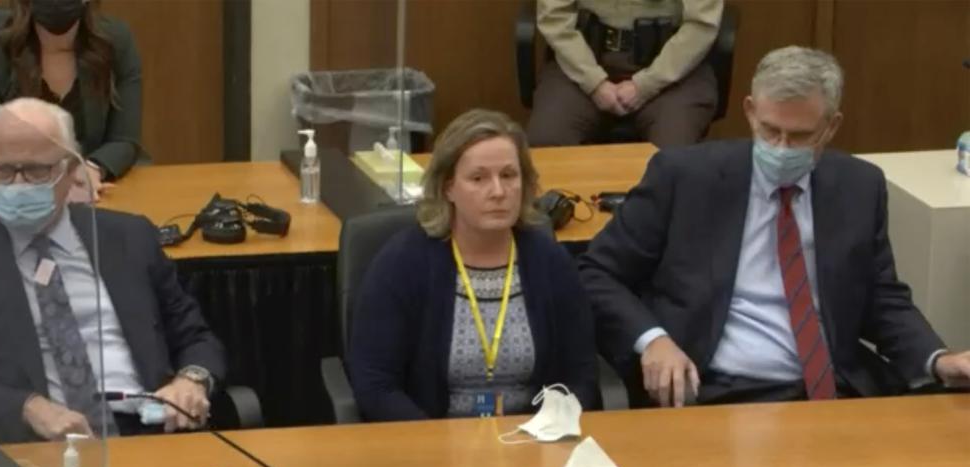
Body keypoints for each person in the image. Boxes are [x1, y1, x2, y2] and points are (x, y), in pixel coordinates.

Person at [579, 46, 970, 407]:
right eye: (770, 131)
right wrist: (653, 340)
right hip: (713, 386)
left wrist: (937, 358)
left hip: (832, 388)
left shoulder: (859, 186)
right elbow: (597, 272)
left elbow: (881, 298)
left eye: (800, 137)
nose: (781, 148)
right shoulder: (683, 177)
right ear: (750, 111)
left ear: (831, 126)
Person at [0, 98, 221, 442]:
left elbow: (195, 337)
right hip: (32, 443)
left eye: (36, 170)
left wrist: (191, 380)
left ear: (72, 168)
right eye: (1, 171)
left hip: (149, 433)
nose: (18, 184)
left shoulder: (128, 237)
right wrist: (25, 407)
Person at [348, 109, 599, 421]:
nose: (498, 192)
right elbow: (375, 385)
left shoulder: (549, 261)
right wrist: (433, 441)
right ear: (448, 187)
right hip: (431, 437)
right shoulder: (403, 262)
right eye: (478, 178)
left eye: (508, 175)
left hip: (533, 438)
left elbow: (582, 374)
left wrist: (549, 429)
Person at [0, 0, 142, 198]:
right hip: (18, 192)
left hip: (95, 192)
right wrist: (41, 178)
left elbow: (124, 139)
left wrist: (92, 169)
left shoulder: (116, 41)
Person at [527, 0, 721, 148]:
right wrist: (593, 82)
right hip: (582, 61)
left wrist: (646, 85)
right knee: (546, 143)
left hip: (671, 68)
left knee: (674, 154)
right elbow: (555, 18)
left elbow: (701, 25)